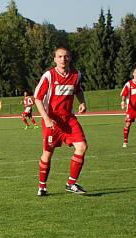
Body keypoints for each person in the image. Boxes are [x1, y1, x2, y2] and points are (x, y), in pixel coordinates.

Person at [34, 47, 88, 196]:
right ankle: (42, 187)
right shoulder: (49, 76)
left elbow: (78, 90)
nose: (63, 59)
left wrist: (82, 102)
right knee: (47, 153)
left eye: (66, 56)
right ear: (55, 59)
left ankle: (71, 184)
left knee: (82, 146)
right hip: (52, 121)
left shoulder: (76, 75)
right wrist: (46, 118)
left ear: (70, 58)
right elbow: (37, 98)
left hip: (69, 119)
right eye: (60, 56)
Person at [120, 67, 136, 148]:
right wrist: (123, 102)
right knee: (128, 124)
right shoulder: (129, 84)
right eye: (135, 73)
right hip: (131, 108)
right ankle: (125, 142)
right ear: (133, 74)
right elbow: (124, 94)